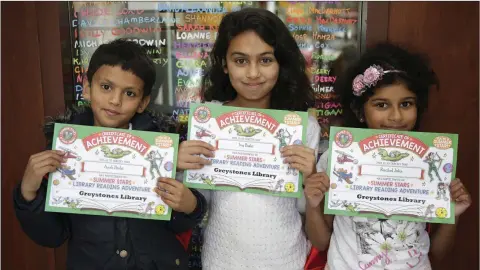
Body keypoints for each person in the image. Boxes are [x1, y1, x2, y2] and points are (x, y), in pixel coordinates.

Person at [13, 39, 207, 270]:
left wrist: (190, 205)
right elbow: (52, 235)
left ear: (143, 102)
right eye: (106, 87)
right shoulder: (63, 152)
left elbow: (175, 224)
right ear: (87, 88)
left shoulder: (162, 151)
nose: (115, 100)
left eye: (130, 93)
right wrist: (28, 193)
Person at [304, 42, 472, 269]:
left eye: (406, 104)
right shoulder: (340, 159)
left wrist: (455, 213)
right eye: (381, 105)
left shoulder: (430, 161)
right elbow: (321, 241)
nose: (396, 117)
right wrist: (314, 204)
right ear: (359, 111)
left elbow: (436, 254)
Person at [176, 7, 321, 270]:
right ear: (224, 63)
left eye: (265, 60)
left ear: (281, 63)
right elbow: (198, 202)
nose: (253, 73)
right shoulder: (209, 120)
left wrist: (310, 177)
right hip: (221, 259)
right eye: (240, 61)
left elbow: (303, 205)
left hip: (286, 259)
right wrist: (177, 165)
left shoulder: (303, 127)